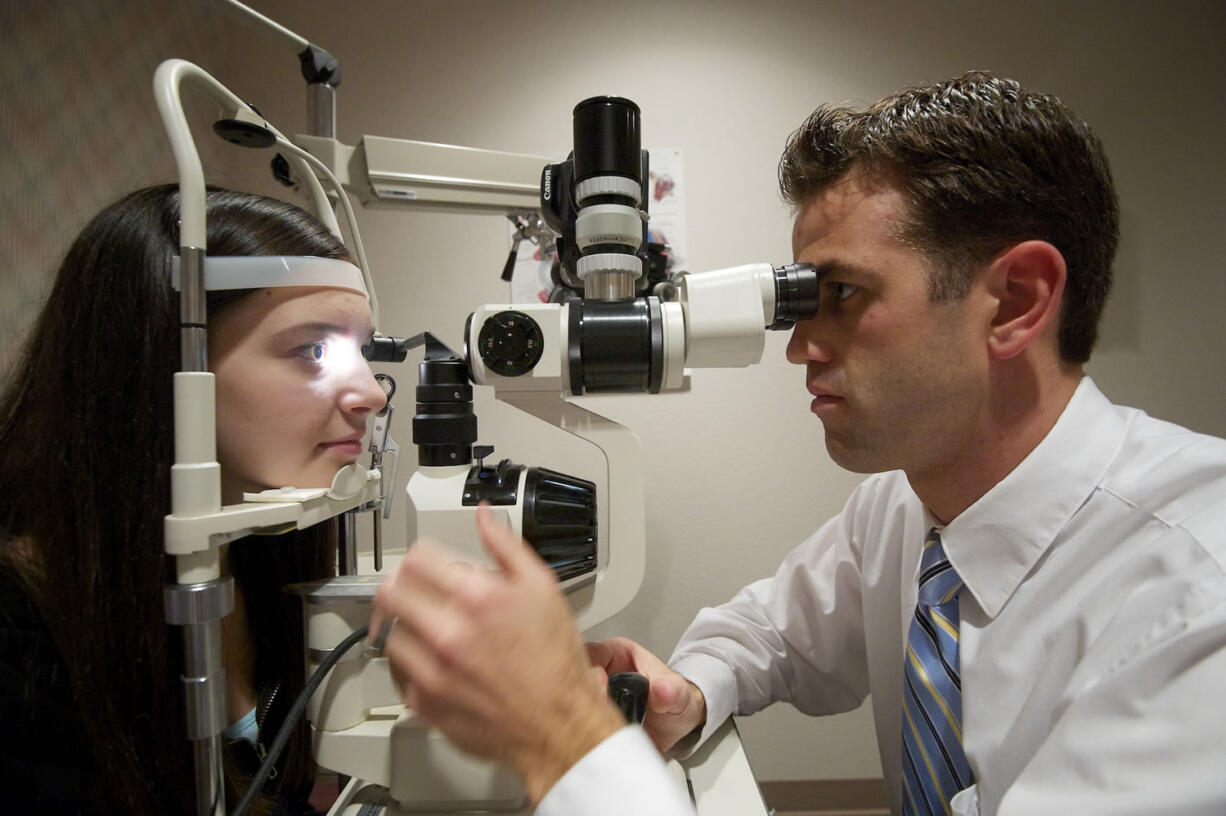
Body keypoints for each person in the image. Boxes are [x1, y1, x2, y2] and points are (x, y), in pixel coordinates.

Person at [370, 70, 1226, 816]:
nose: (798, 347)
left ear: (1015, 302)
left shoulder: (1194, 599)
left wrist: (565, 738)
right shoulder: (907, 507)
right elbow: (767, 630)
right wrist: (689, 689)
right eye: (800, 301)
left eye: (843, 295)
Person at [0, 184, 387, 814]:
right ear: (160, 362)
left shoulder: (260, 553)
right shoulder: (21, 638)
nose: (371, 393)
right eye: (315, 350)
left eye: (363, 352)